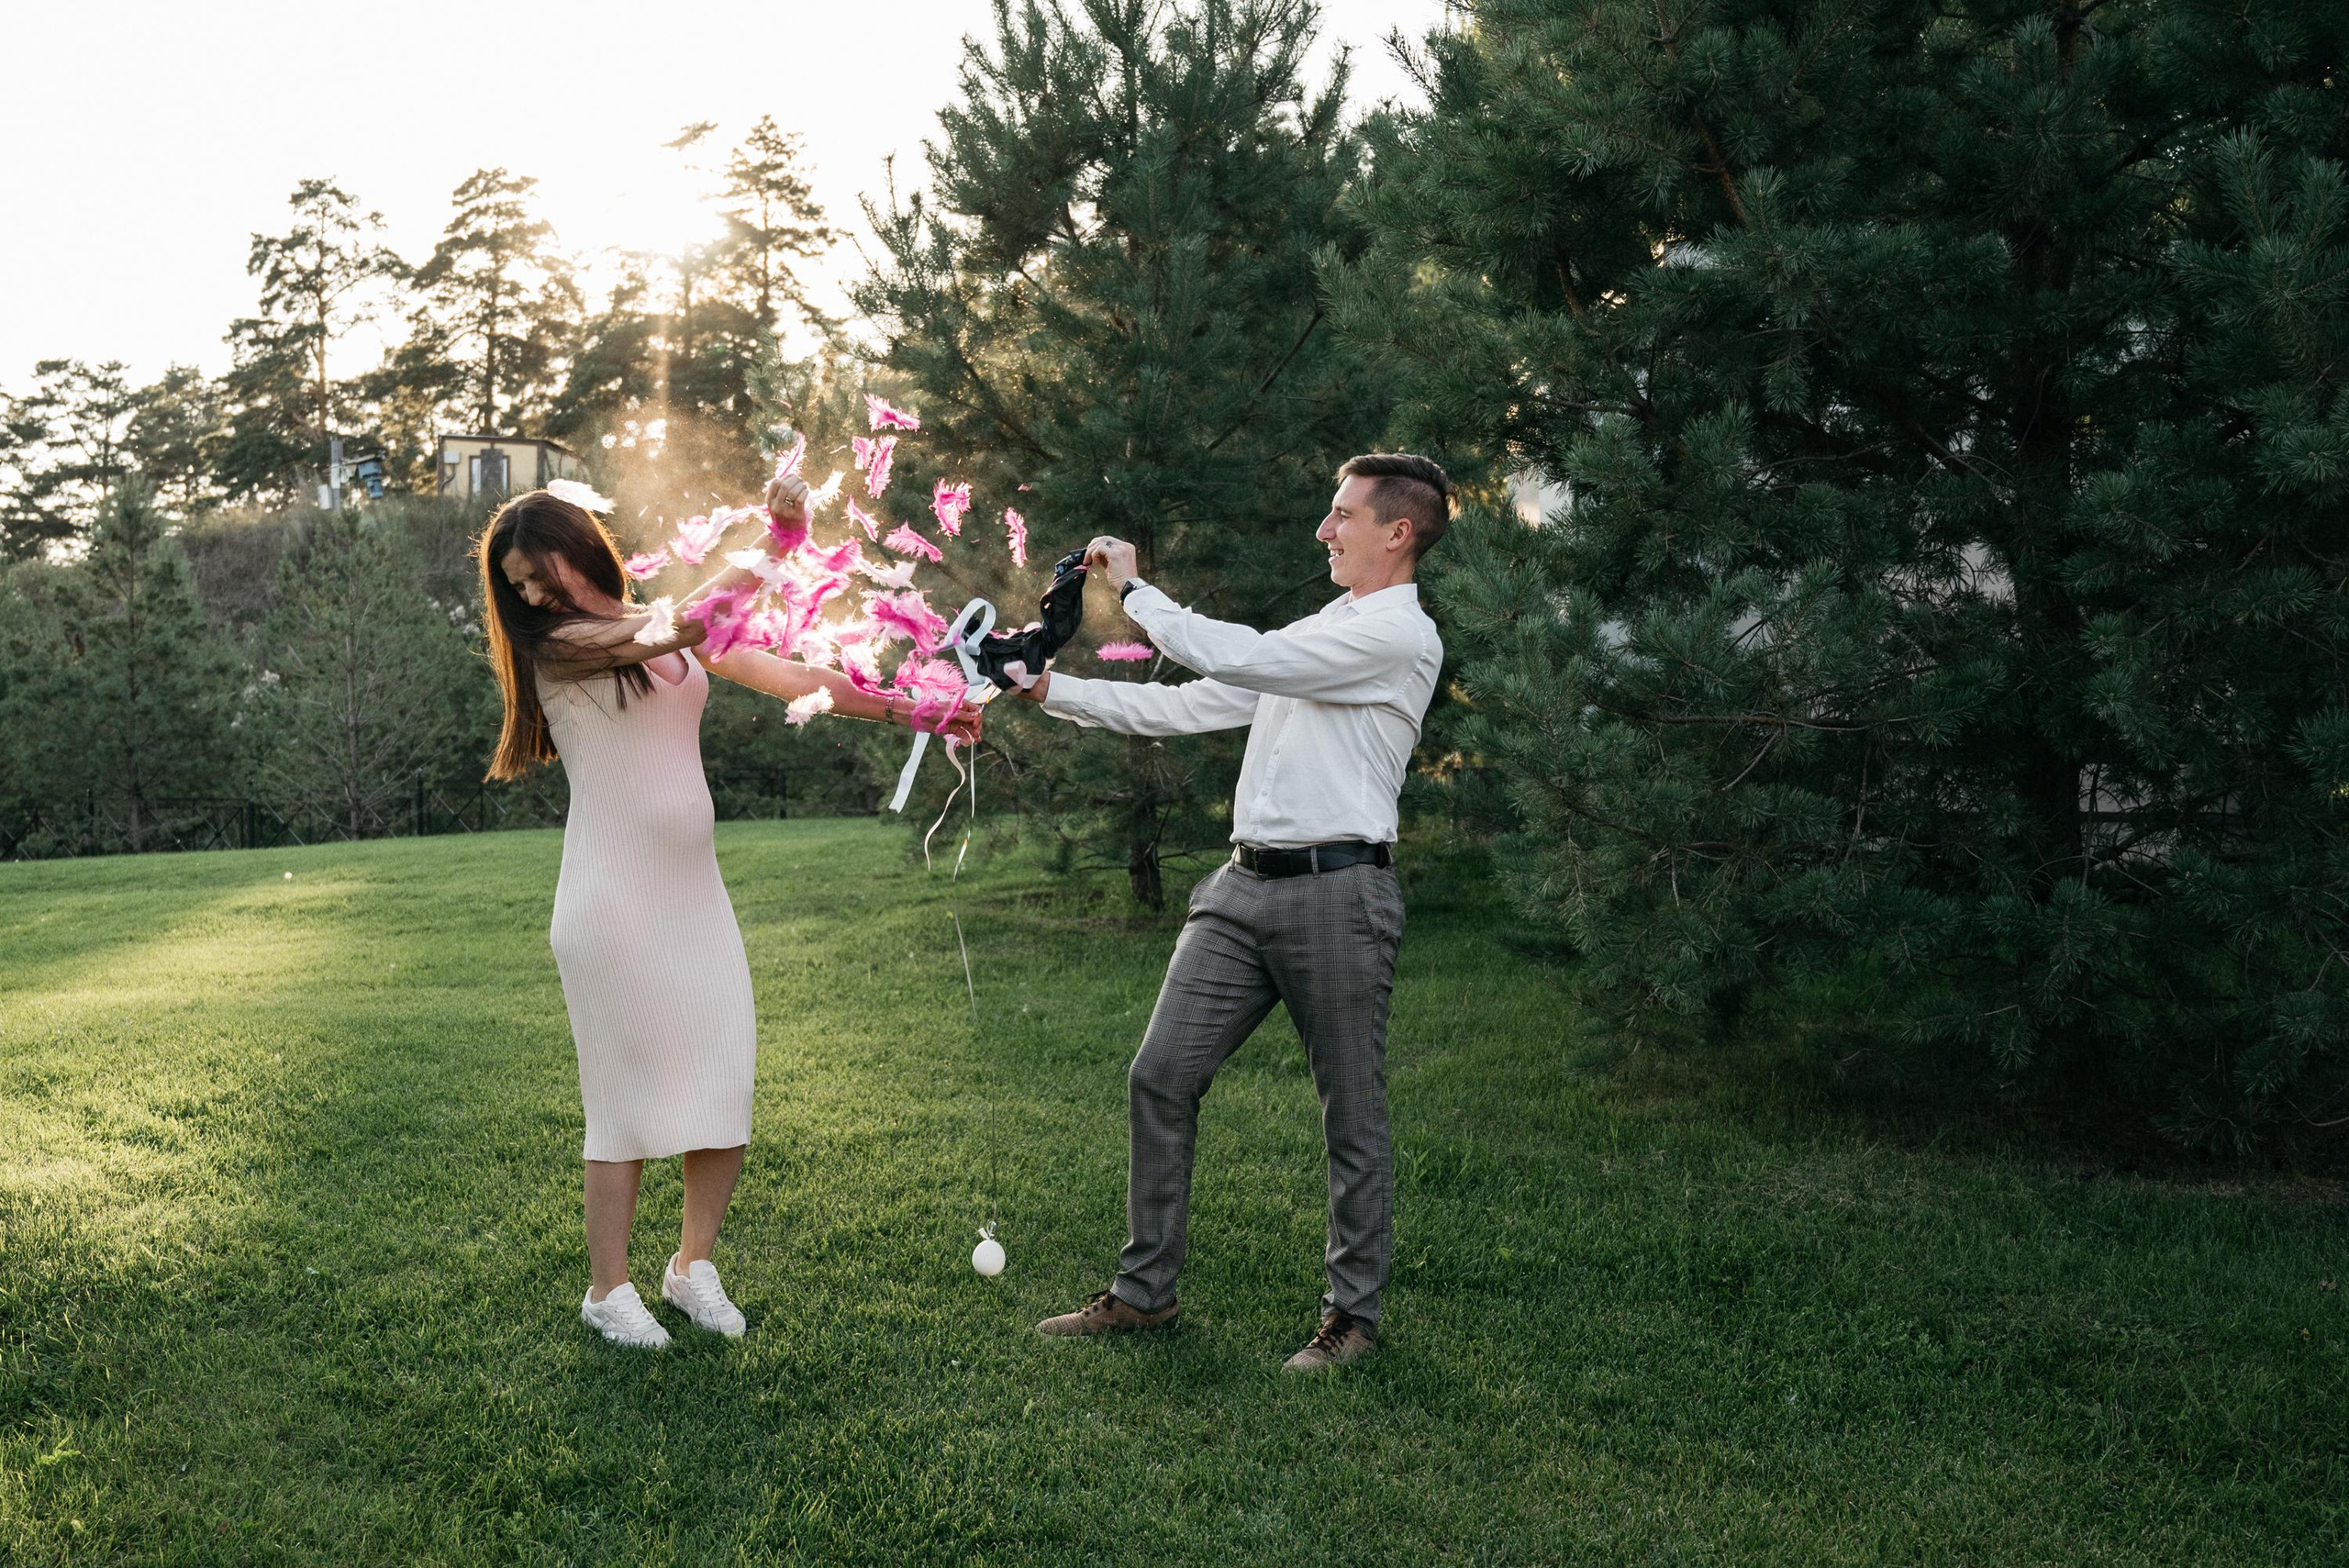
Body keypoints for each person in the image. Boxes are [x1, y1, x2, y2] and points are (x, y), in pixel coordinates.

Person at [477, 473, 979, 1350]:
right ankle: (608, 1290)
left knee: (723, 1073)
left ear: (576, 544)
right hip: (611, 903)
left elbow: (794, 677)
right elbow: (685, 623)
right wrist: (776, 541)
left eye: (534, 570)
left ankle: (691, 1266)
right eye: (515, 585)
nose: (527, 594)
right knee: (623, 1101)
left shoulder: (661, 628)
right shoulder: (566, 644)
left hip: (691, 895)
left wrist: (917, 710)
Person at [1013, 453, 1450, 1371]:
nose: (1325, 530)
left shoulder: (1396, 636)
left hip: (1341, 891)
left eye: (1342, 515)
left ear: (1397, 531)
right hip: (1241, 888)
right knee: (1160, 1074)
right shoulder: (1328, 626)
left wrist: (1135, 590)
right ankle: (1144, 1293)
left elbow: (1240, 654)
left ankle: (1351, 1318)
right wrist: (1050, 690)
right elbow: (1196, 702)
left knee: (1351, 1111)